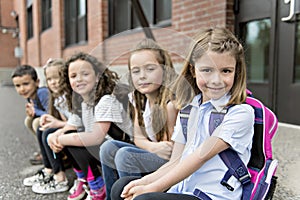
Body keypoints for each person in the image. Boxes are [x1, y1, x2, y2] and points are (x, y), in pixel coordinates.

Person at [111, 27, 255, 200]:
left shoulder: (240, 113)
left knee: (145, 198)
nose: (216, 80)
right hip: (184, 189)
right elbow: (175, 161)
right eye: (207, 70)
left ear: (236, 72)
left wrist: (152, 187)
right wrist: (146, 181)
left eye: (226, 71)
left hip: (212, 195)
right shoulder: (189, 109)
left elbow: (198, 158)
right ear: (194, 71)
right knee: (122, 186)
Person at [99, 38, 178, 200]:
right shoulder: (138, 99)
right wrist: (151, 147)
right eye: (136, 71)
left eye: (150, 69)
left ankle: (133, 196)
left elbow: (169, 150)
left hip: (171, 165)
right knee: (108, 147)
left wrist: (153, 148)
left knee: (125, 155)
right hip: (154, 152)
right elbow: (138, 138)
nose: (142, 76)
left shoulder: (171, 104)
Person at [47, 52, 132, 200]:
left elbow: (96, 137)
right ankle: (87, 181)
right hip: (103, 149)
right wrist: (54, 136)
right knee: (67, 136)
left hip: (121, 150)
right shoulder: (81, 101)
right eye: (73, 76)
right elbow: (69, 126)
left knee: (75, 139)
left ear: (97, 76)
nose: (79, 79)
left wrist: (61, 139)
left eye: (85, 74)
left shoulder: (106, 100)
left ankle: (98, 187)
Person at [22, 58, 76, 195]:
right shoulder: (57, 98)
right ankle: (49, 169)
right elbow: (67, 121)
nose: (54, 82)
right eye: (50, 79)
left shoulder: (71, 96)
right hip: (71, 129)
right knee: (43, 129)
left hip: (82, 132)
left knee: (48, 132)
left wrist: (57, 125)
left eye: (58, 77)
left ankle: (60, 179)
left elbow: (78, 123)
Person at [11, 64, 49, 165]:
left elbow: (51, 113)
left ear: (37, 82)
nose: (22, 89)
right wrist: (32, 113)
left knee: (37, 123)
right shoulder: (30, 95)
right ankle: (45, 149)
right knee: (28, 120)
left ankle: (54, 154)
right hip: (47, 121)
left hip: (58, 123)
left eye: (26, 84)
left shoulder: (43, 93)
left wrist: (35, 111)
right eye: (18, 86)